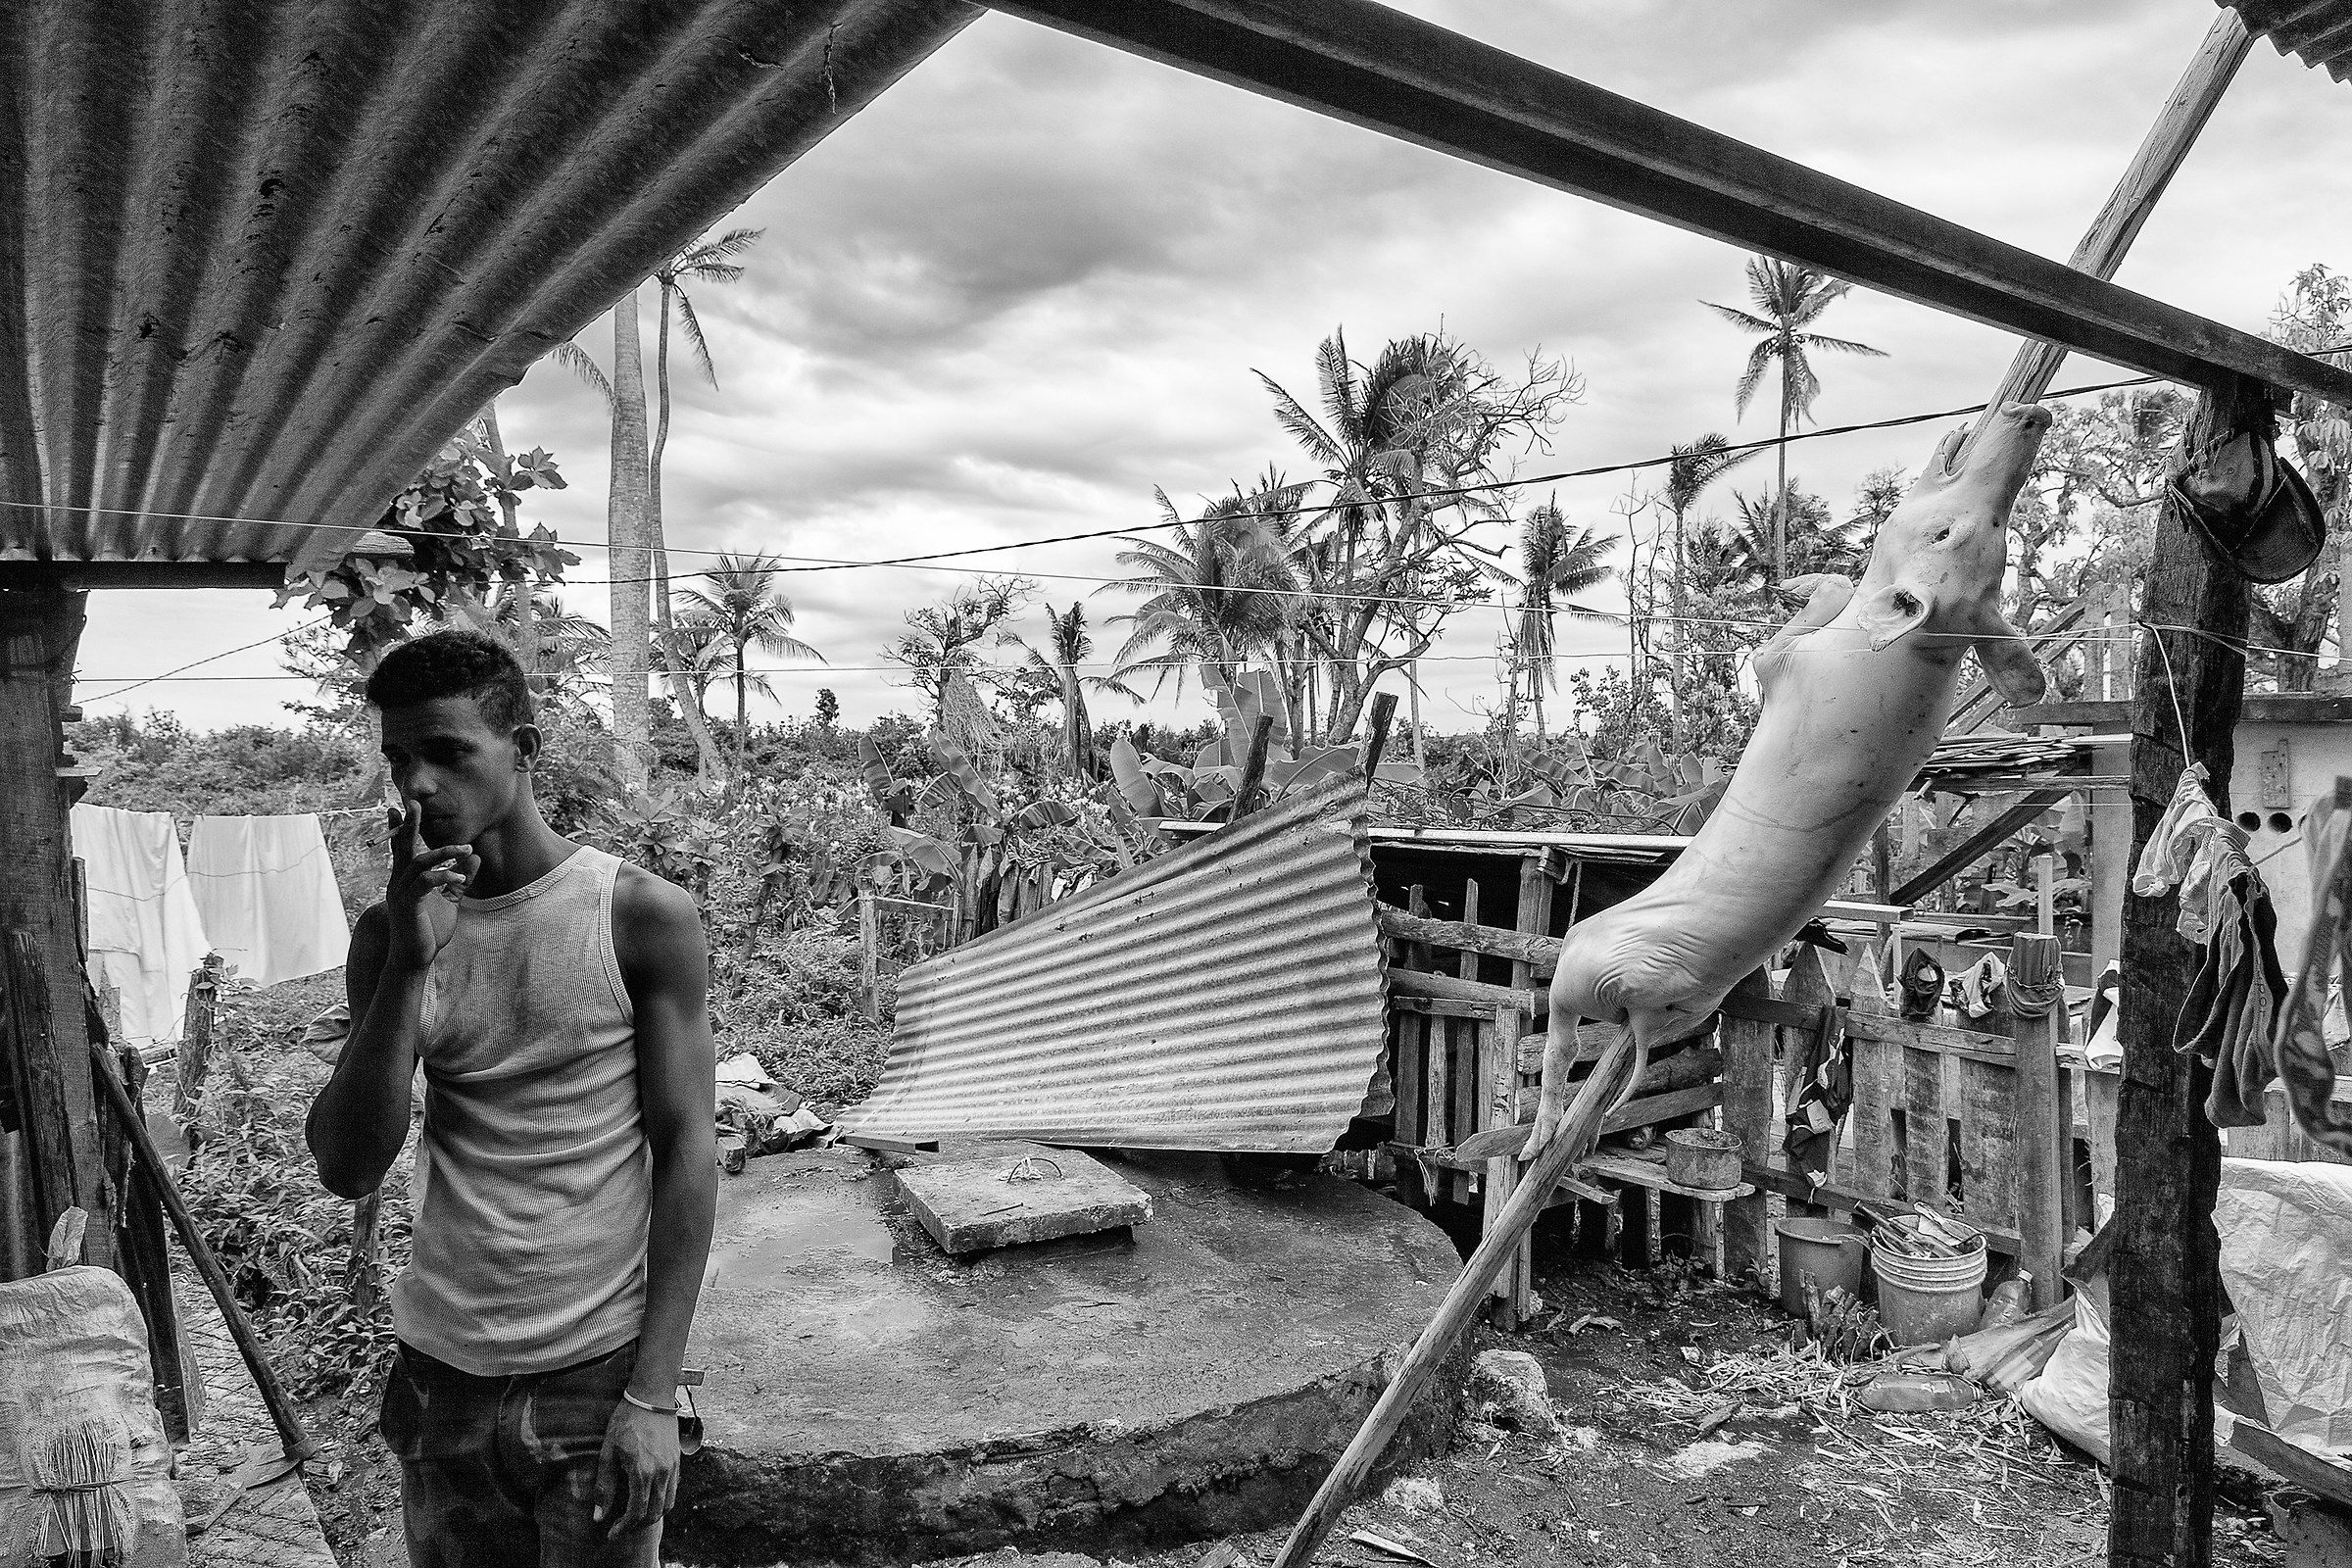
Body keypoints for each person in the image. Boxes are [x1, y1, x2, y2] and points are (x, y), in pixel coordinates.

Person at [307, 630, 716, 1567]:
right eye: (398, 758)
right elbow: (348, 1165)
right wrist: (409, 963)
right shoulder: (390, 935)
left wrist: (654, 1394)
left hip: (594, 1374)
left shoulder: (637, 916)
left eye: (447, 752)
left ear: (524, 749)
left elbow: (689, 1148)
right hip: (439, 1374)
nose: (415, 784)